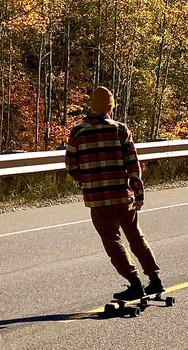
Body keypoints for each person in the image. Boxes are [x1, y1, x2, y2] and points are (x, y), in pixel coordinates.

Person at [65, 86, 164, 300]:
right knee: (135, 236)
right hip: (123, 194)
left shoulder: (78, 132)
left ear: (92, 106)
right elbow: (133, 165)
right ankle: (155, 279)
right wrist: (138, 194)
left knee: (112, 239)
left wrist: (86, 181)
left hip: (98, 198)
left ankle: (134, 281)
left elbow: (71, 167)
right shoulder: (120, 129)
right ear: (110, 108)